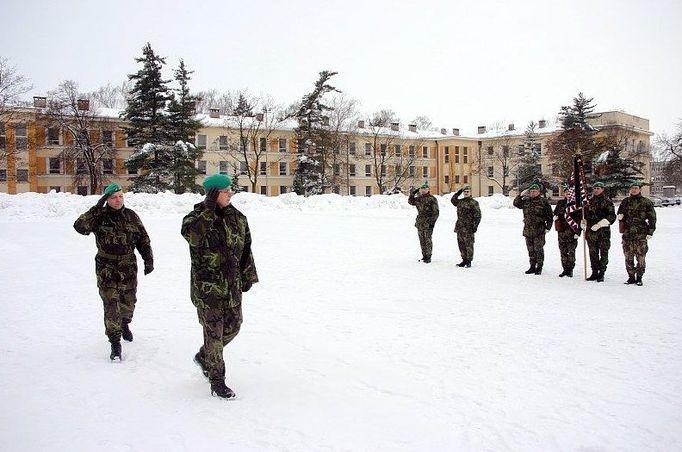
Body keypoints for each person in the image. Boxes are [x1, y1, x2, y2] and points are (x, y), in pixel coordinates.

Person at [181, 174, 259, 399]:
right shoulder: (195, 218)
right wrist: (208, 210)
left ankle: (204, 355)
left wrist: (247, 277)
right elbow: (193, 237)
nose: (231, 195)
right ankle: (217, 381)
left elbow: (246, 250)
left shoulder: (238, 218)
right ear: (214, 194)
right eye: (226, 192)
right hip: (208, 289)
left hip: (232, 286)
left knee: (234, 326)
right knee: (214, 335)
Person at [73, 183, 154, 361]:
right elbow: (79, 226)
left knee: (129, 302)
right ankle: (115, 342)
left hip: (128, 267)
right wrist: (96, 207)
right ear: (107, 200)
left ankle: (125, 324)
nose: (118, 200)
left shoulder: (131, 216)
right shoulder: (99, 216)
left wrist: (148, 259)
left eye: (120, 196)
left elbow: (143, 239)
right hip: (106, 267)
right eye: (113, 197)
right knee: (110, 304)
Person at [617, 181, 656, 286]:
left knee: (641, 257)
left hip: (641, 234)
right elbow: (620, 213)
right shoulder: (625, 201)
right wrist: (620, 216)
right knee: (628, 257)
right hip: (628, 234)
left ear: (639, 189)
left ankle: (639, 277)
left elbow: (652, 218)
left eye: (636, 188)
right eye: (632, 188)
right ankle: (630, 277)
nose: (634, 190)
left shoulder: (646, 202)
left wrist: (650, 231)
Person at [513, 182, 553, 275]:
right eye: (531, 191)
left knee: (538, 250)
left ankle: (539, 267)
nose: (532, 193)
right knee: (530, 250)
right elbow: (516, 204)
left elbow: (550, 217)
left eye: (534, 191)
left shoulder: (544, 202)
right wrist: (520, 195)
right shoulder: (526, 201)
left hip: (539, 230)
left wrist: (548, 227)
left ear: (539, 192)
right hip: (528, 230)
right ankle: (532, 266)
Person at [582, 181, 616, 282]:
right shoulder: (589, 201)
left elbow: (611, 216)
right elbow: (585, 214)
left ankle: (601, 272)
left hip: (603, 232)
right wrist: (584, 220)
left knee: (603, 252)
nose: (596, 190)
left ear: (603, 189)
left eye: (598, 188)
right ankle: (594, 272)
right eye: (595, 188)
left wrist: (600, 224)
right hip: (591, 232)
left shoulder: (607, 202)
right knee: (593, 253)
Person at [407, 181, 439, 263]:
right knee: (422, 240)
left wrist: (432, 223)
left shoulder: (432, 199)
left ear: (428, 189)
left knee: (427, 240)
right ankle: (424, 256)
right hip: (420, 223)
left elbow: (436, 212)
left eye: (425, 189)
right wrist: (412, 193)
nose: (423, 190)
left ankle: (428, 256)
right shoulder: (419, 199)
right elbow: (410, 202)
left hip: (428, 223)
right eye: (422, 189)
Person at [553, 188, 582, 277]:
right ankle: (565, 269)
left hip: (572, 231)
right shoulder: (560, 203)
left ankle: (570, 269)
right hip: (561, 231)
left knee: (571, 251)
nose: (567, 194)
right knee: (563, 251)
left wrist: (578, 231)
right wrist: (555, 217)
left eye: (569, 193)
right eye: (565, 192)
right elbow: (555, 212)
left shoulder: (577, 204)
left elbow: (580, 218)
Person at [450, 185, 481, 267]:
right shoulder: (460, 201)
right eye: (465, 192)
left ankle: (469, 261)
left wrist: (475, 226)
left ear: (470, 192)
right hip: (460, 227)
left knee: (469, 245)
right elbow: (453, 200)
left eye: (467, 192)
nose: (466, 193)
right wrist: (458, 192)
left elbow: (478, 216)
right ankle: (464, 259)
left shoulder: (474, 203)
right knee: (461, 244)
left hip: (468, 227)